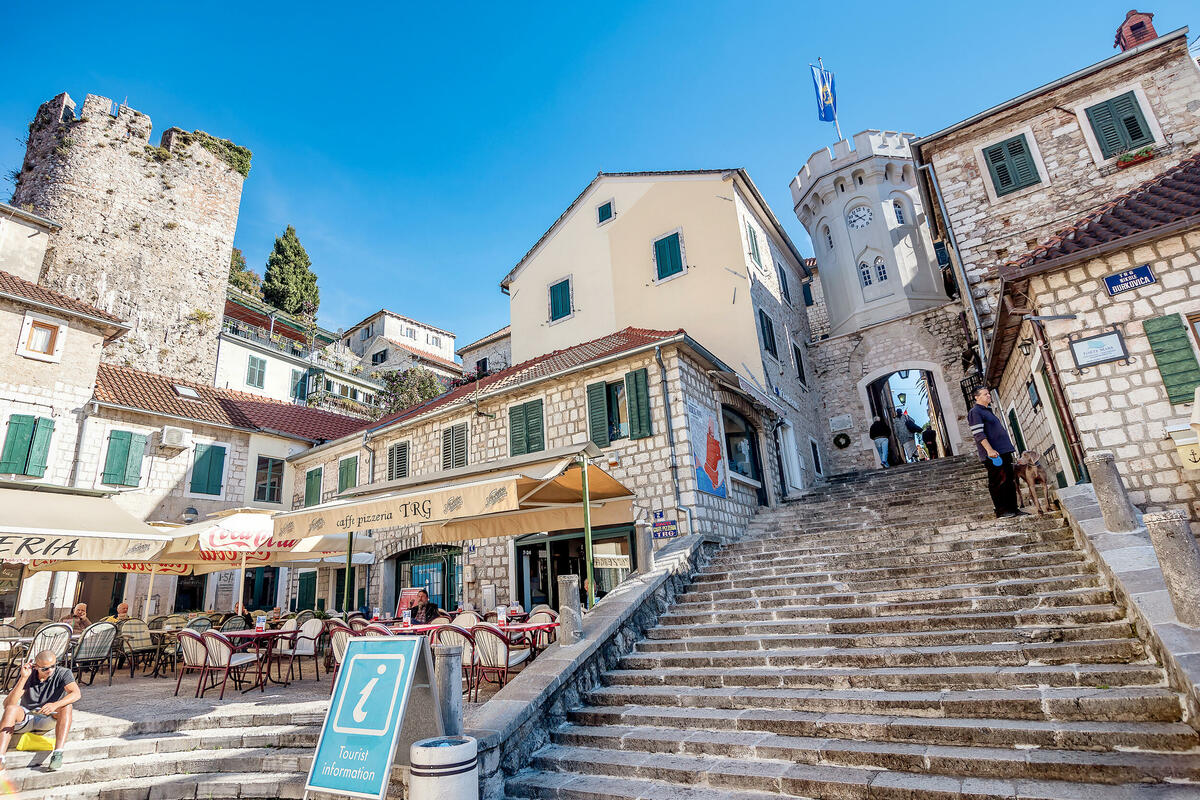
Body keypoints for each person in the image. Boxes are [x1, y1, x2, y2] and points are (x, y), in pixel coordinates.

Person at [0, 650, 81, 771]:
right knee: (11, 709)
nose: (50, 670)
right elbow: (7, 704)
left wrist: (55, 705)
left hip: (48, 717)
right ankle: (1, 757)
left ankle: (58, 754)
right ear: (36, 666)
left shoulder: (63, 673)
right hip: (27, 716)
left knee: (67, 706)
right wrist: (23, 678)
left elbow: (76, 693)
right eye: (45, 668)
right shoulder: (27, 674)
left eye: (53, 666)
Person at [968, 386, 1028, 519]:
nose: (988, 396)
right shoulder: (975, 412)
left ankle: (1013, 509)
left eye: (988, 394)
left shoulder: (988, 411)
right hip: (993, 454)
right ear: (976, 397)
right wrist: (989, 450)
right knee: (998, 481)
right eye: (985, 394)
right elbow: (978, 434)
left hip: (1003, 451)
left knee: (1009, 481)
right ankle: (1002, 511)